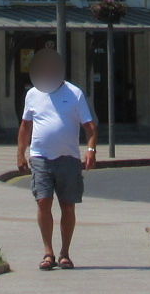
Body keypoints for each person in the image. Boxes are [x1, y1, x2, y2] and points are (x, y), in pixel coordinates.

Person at [15, 47, 97, 270]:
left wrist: (91, 151)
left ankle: (65, 253)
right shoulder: (32, 94)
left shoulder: (74, 93)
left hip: (68, 157)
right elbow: (25, 126)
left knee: (67, 206)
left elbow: (89, 127)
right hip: (40, 156)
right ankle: (48, 252)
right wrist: (20, 153)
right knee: (43, 201)